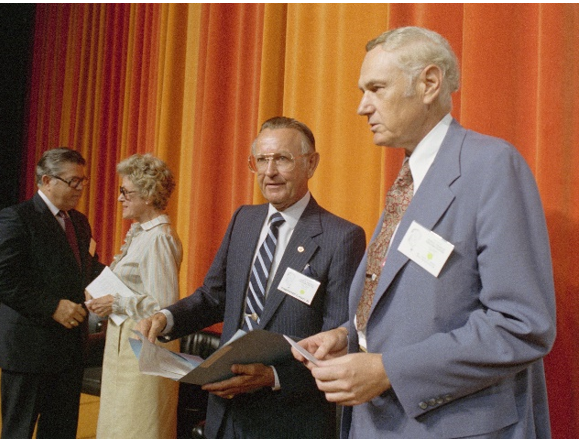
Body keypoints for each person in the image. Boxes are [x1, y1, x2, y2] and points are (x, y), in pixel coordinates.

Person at [295, 26, 555, 438]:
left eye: (376, 88)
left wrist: (387, 370)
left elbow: (521, 324)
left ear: (429, 83)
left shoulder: (491, 166)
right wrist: (350, 337)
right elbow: (420, 303)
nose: (363, 106)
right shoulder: (410, 178)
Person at [138, 117, 366, 438]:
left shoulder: (340, 237)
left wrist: (273, 375)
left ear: (311, 164)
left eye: (282, 159)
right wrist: (166, 318)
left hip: (290, 418)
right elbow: (213, 297)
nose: (269, 172)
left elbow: (340, 340)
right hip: (226, 411)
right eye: (261, 160)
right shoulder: (243, 219)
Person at [0, 147, 105, 439]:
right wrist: (52, 306)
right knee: (19, 432)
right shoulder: (16, 218)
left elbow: (85, 269)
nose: (80, 189)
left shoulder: (79, 222)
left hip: (69, 349)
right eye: (73, 181)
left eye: (82, 181)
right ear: (47, 181)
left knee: (61, 431)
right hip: (28, 349)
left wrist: (123, 283)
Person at [87, 154, 182, 438]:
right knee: (119, 424)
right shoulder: (142, 233)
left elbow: (164, 305)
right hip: (124, 342)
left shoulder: (159, 238)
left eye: (126, 192)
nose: (120, 199)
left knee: (137, 427)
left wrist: (116, 302)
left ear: (149, 196)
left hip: (144, 347)